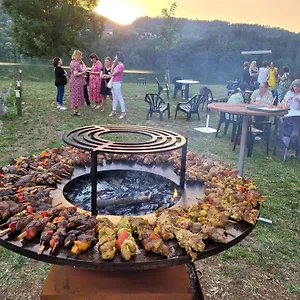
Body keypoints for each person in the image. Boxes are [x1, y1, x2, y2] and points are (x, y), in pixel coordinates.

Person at [105, 51, 126, 119]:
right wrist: (113, 65)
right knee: (114, 98)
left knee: (120, 98)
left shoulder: (121, 66)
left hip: (116, 83)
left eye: (116, 56)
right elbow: (111, 72)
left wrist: (105, 76)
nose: (115, 57)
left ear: (118, 57)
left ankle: (123, 112)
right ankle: (113, 111)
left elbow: (112, 74)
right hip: (114, 83)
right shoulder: (117, 65)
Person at [69, 50, 85, 116]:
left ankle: (76, 110)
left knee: (74, 95)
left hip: (72, 80)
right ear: (78, 56)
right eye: (81, 55)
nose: (81, 57)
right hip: (76, 81)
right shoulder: (76, 63)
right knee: (76, 95)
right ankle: (76, 111)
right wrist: (82, 73)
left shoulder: (72, 62)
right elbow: (75, 73)